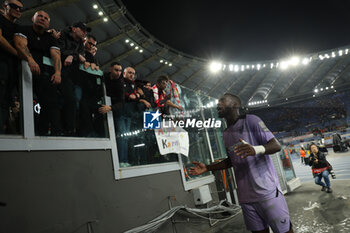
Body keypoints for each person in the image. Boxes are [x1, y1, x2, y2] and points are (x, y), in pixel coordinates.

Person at [189, 93, 293, 233]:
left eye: (222, 101)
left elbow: (276, 145)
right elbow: (231, 161)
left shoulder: (251, 120)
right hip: (246, 198)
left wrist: (255, 149)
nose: (218, 104)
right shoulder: (226, 134)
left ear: (235, 105)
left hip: (267, 193)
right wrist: (207, 167)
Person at [14, 10, 64, 135]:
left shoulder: (50, 38)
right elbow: (20, 45)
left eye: (46, 18)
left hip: (42, 74)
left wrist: (57, 72)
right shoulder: (23, 29)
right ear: (33, 18)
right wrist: (30, 60)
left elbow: (56, 56)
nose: (42, 19)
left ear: (48, 24)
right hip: (20, 71)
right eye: (40, 16)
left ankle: (44, 132)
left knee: (50, 102)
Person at [0, 0, 23, 134]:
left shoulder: (17, 28)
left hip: (12, 69)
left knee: (5, 101)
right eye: (15, 7)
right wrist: (16, 53)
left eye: (20, 8)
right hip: (2, 65)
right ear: (5, 6)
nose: (18, 10)